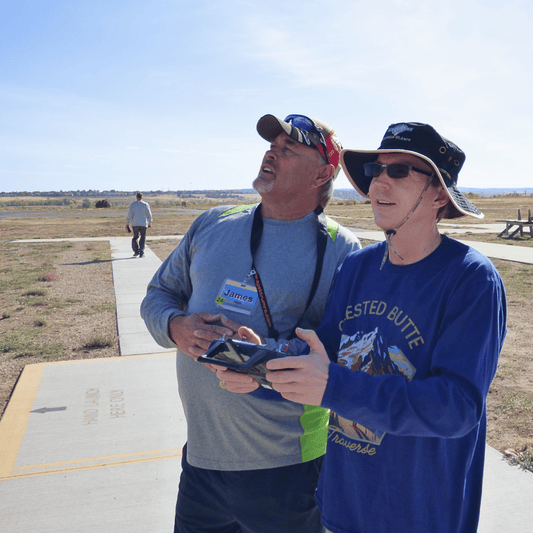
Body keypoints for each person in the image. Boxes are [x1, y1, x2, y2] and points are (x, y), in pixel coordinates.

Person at [224, 122, 507, 533]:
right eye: (376, 171)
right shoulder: (357, 266)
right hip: (344, 504)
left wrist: (332, 387)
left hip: (419, 513)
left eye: (399, 172)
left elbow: (456, 408)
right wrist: (263, 361)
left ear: (440, 195)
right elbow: (325, 354)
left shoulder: (471, 279)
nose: (379, 183)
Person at [140, 113, 361, 533]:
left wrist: (261, 365)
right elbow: (158, 295)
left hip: (288, 465)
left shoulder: (340, 246)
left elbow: (341, 351)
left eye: (288, 150)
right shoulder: (213, 223)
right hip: (202, 460)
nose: (271, 154)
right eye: (271, 147)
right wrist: (176, 327)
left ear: (322, 175)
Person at [126, 192, 152, 257]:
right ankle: (141, 252)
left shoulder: (133, 205)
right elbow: (149, 215)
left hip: (135, 224)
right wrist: (149, 223)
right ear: (142, 197)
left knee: (135, 237)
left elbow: (129, 214)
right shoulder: (146, 204)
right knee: (142, 238)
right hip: (143, 224)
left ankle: (136, 251)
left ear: (136, 197)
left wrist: (127, 223)